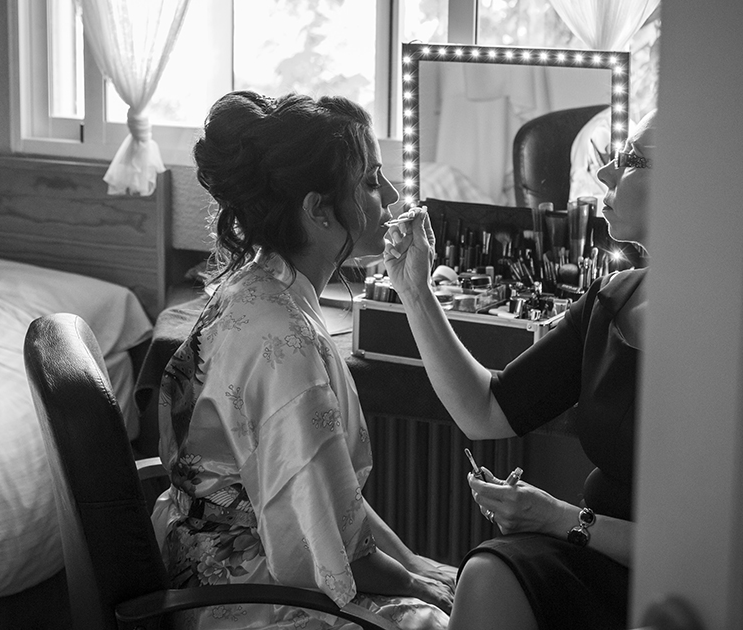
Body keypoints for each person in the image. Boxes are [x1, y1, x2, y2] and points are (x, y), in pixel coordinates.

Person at [152, 91, 455, 630]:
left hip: (219, 562)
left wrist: (414, 564)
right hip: (244, 595)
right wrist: (421, 587)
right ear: (316, 209)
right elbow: (326, 551)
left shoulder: (259, 286)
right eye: (370, 182)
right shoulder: (283, 344)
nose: (390, 195)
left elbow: (334, 503)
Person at [382, 110, 658, 630]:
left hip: (678, 575)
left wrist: (558, 518)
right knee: (488, 571)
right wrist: (414, 291)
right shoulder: (610, 301)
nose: (605, 173)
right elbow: (486, 411)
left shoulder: (732, 341)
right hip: (593, 555)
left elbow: (707, 543)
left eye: (631, 159)